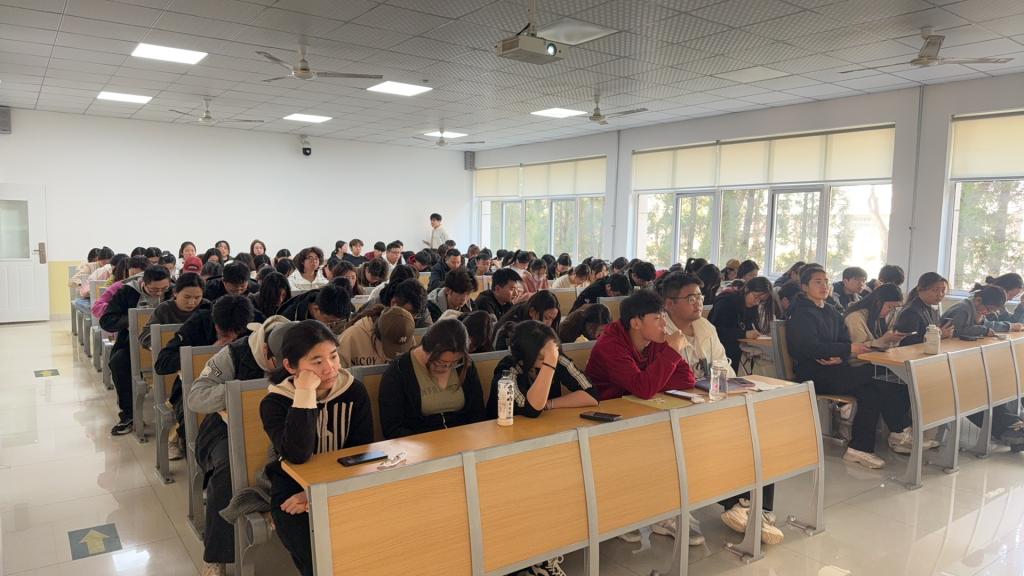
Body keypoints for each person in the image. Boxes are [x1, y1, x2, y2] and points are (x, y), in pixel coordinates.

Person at [658, 271, 782, 545]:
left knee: (756, 432)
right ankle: (739, 504)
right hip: (676, 404)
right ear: (669, 303)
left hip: (708, 398)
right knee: (725, 438)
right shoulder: (659, 330)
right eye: (690, 298)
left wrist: (727, 389)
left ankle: (754, 506)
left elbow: (722, 363)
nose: (698, 302)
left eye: (699, 296)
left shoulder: (705, 327)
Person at [261, 320, 373, 576]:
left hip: (345, 482)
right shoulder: (275, 402)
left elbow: (360, 453)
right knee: (318, 560)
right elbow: (297, 455)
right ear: (290, 366)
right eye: (317, 361)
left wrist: (320, 493)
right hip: (292, 488)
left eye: (333, 356)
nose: (330, 368)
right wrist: (305, 394)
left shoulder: (354, 391)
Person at [188, 316, 291, 576]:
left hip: (279, 427)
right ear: (265, 350)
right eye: (279, 363)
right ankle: (215, 556)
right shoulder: (234, 354)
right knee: (228, 470)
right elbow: (196, 396)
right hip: (225, 429)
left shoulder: (301, 343)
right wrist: (237, 393)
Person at [786, 265, 912, 468]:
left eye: (826, 281)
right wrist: (845, 350)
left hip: (836, 368)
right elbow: (807, 347)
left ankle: (860, 449)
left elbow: (844, 340)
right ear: (804, 286)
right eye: (817, 282)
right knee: (877, 376)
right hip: (813, 373)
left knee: (873, 389)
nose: (824, 286)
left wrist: (841, 356)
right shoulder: (800, 313)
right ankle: (896, 432)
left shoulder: (830, 310)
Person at [378, 319, 487, 439]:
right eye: (440, 362)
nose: (447, 368)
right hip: (418, 443)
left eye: (454, 363)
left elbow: (478, 413)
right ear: (425, 349)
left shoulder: (465, 366)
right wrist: (429, 443)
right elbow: (392, 428)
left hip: (463, 439)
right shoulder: (399, 372)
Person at [101, 265, 172, 435]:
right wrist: (134, 319)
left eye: (164, 289)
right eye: (154, 289)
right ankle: (128, 415)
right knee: (118, 362)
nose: (159, 293)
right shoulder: (127, 292)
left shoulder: (174, 291)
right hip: (132, 342)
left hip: (168, 343)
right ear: (143, 283)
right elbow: (107, 320)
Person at [585, 290, 694, 400]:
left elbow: (687, 378)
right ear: (636, 323)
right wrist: (672, 351)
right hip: (607, 405)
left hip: (635, 402)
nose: (664, 323)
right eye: (657, 318)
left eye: (664, 316)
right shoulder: (610, 346)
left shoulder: (654, 337)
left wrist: (650, 384)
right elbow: (644, 389)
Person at [487, 319, 597, 418]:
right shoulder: (507, 371)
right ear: (524, 355)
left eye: (551, 352)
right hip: (504, 429)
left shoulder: (554, 357)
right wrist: (549, 363)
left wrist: (549, 404)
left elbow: (591, 394)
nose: (551, 358)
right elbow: (531, 409)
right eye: (542, 357)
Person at [708, 277, 772, 374]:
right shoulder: (726, 302)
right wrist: (744, 334)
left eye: (761, 300)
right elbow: (718, 331)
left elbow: (748, 326)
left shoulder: (751, 306)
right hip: (717, 348)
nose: (757, 302)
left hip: (733, 347)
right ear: (747, 289)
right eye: (756, 297)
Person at [844, 284, 908, 369]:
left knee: (908, 368)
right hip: (861, 364)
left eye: (895, 308)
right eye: (889, 307)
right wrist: (884, 340)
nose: (891, 311)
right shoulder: (855, 317)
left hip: (881, 360)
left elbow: (891, 346)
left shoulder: (890, 314)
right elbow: (859, 350)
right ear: (878, 302)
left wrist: (895, 338)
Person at [140, 272, 208, 351]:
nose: (191, 302)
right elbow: (145, 334)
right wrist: (157, 346)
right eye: (187, 297)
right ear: (175, 292)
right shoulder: (164, 309)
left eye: (197, 297)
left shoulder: (206, 307)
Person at [337, 305, 416, 368]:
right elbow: (339, 374)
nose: (398, 352)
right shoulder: (350, 337)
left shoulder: (406, 333)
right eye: (392, 345)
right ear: (378, 334)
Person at [892, 273, 956, 345]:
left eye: (943, 290)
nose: (940, 294)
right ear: (920, 289)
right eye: (935, 290)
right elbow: (908, 341)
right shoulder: (910, 312)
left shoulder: (933, 310)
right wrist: (939, 336)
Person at [493, 291, 561, 350]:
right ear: (532, 312)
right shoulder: (511, 328)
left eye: (553, 319)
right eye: (546, 318)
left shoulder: (527, 312)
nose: (549, 324)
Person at [279, 282, 353, 334]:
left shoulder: (339, 302)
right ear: (316, 309)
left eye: (337, 322)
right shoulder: (290, 318)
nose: (332, 326)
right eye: (329, 321)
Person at [939, 285, 1008, 338]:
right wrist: (984, 330)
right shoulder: (963, 309)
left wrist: (980, 322)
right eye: (988, 309)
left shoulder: (978, 309)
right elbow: (958, 331)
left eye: (992, 311)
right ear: (978, 300)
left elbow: (984, 324)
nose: (987, 313)